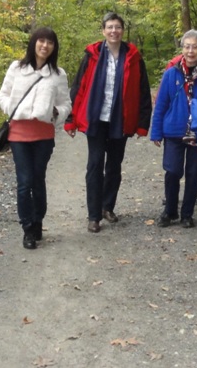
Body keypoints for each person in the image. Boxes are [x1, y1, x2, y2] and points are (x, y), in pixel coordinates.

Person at [65, 12, 152, 234]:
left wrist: (143, 122)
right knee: (94, 165)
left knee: (114, 165)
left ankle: (107, 206)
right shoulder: (92, 55)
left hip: (120, 120)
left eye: (118, 27)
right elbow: (78, 86)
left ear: (123, 31)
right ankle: (93, 215)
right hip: (95, 118)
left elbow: (143, 90)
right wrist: (70, 118)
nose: (114, 31)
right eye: (110, 27)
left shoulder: (133, 56)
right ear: (103, 31)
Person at [0, 27, 72, 249]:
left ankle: (38, 219)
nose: (45, 45)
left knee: (38, 180)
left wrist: (54, 113)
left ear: (54, 47)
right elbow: (3, 95)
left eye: (50, 42)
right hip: (18, 133)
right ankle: (27, 228)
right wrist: (14, 109)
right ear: (33, 43)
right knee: (24, 182)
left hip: (43, 135)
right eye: (41, 41)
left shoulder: (59, 74)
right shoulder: (16, 68)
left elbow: (66, 103)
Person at [151, 30, 197, 228]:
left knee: (194, 174)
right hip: (173, 131)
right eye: (186, 46)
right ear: (182, 49)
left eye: (195, 47)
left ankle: (187, 214)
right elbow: (161, 104)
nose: (190, 51)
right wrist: (156, 131)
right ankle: (170, 211)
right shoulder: (171, 73)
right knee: (173, 171)